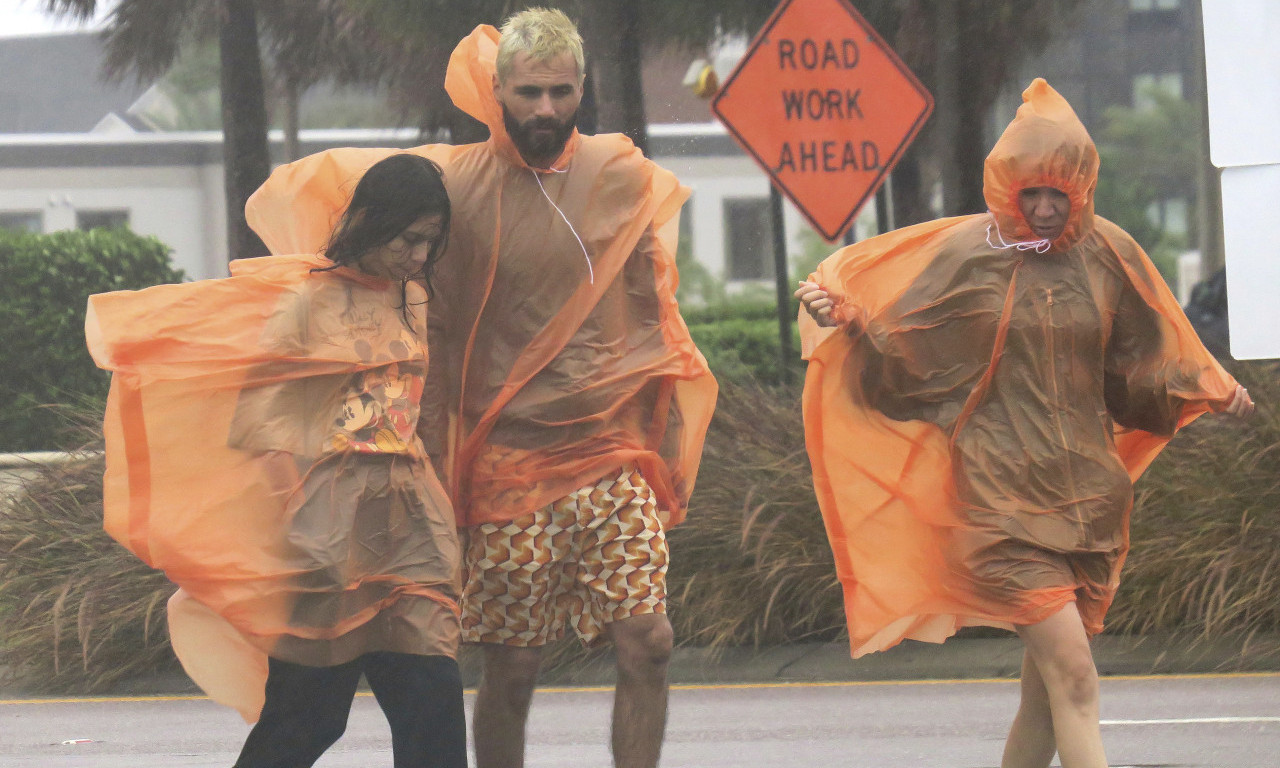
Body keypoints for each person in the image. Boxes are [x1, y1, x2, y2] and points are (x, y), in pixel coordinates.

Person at [244, 9, 717, 768]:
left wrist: (665, 438)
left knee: (642, 644)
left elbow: (651, 310)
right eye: (528, 92)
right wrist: (309, 502)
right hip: (453, 492)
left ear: (584, 87)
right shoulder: (445, 201)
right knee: (393, 697)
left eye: (561, 92)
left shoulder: (619, 175)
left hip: (575, 471)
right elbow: (269, 413)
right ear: (497, 93)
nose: (546, 109)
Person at [795, 79, 1254, 768]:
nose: (1042, 208)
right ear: (1007, 187)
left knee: (1045, 699)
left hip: (1089, 507)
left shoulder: (1110, 254)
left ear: (1082, 188)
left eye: (1057, 193)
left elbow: (1137, 373)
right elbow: (907, 364)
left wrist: (1206, 388)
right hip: (998, 507)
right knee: (1075, 678)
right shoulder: (969, 255)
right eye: (1029, 192)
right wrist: (853, 326)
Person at [86, 154, 468, 768]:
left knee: (433, 704)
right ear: (369, 221)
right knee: (309, 715)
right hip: (329, 527)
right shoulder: (307, 301)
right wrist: (292, 525)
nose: (417, 255)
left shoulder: (414, 298)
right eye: (406, 238)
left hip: (412, 526)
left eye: (429, 241)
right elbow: (258, 426)